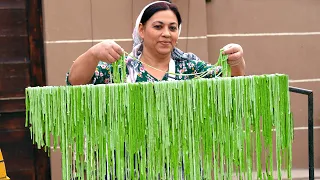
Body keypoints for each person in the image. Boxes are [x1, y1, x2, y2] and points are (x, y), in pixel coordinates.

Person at [66, 1, 245, 86]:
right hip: (129, 158)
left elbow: (231, 86)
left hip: (179, 158)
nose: (166, 34)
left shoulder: (189, 67)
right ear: (141, 30)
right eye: (158, 26)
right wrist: (93, 53)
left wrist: (236, 62)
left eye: (173, 28)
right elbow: (75, 81)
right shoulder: (121, 68)